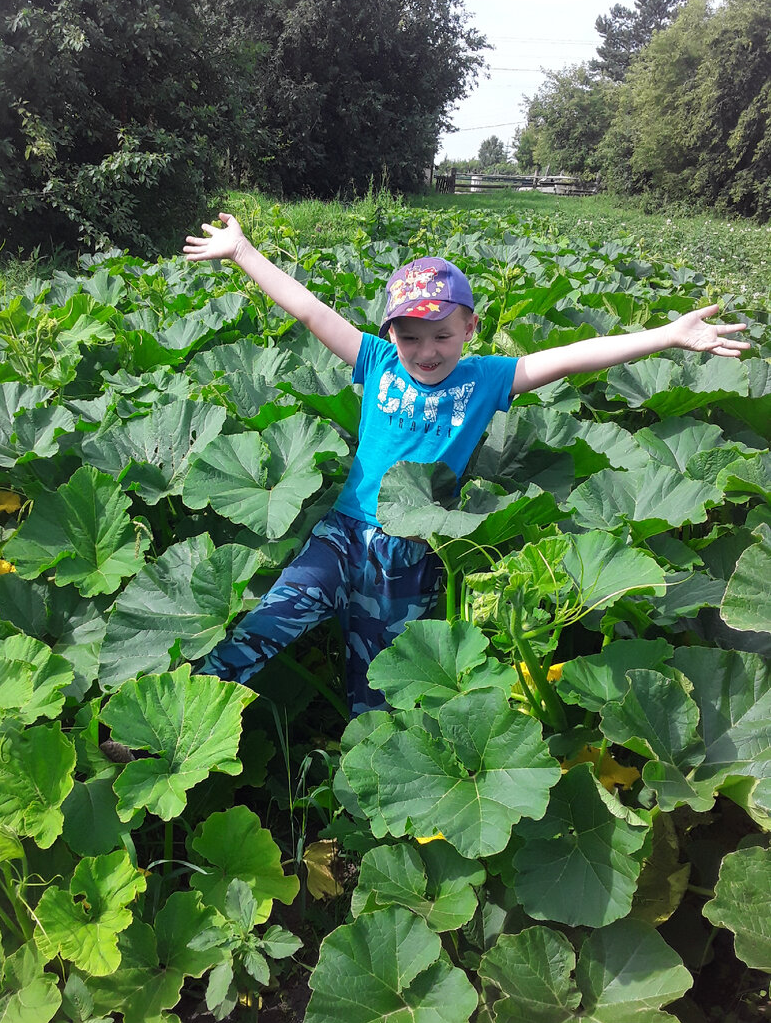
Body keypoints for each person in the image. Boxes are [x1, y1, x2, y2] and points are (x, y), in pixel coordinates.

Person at [182, 213, 749, 715]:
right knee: (268, 621)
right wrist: (241, 251)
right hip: (345, 533)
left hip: (413, 553)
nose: (427, 352)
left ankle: (362, 795)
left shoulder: (486, 379)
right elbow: (308, 310)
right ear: (390, 335)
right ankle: (184, 715)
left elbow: (570, 357)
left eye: (442, 336)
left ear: (470, 328)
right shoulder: (376, 361)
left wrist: (668, 336)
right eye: (411, 338)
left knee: (378, 688)